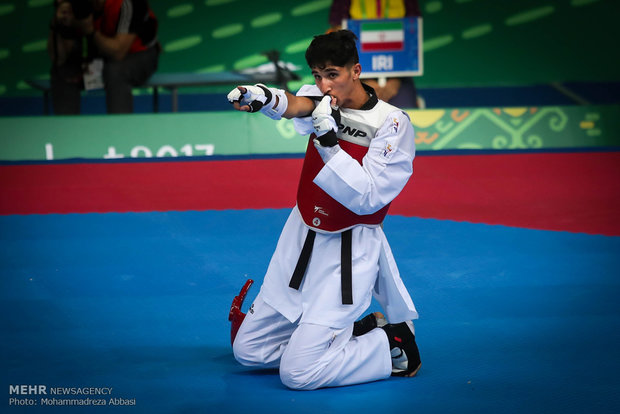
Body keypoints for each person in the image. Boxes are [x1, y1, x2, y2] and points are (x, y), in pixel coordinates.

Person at [227, 30, 420, 390]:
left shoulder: (392, 124)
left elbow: (369, 196)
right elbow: (296, 104)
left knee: (297, 375)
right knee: (248, 351)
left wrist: (331, 145)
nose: (323, 84)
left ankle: (389, 343)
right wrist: (263, 97)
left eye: (332, 74)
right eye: (317, 75)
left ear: (356, 71)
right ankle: (349, 332)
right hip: (300, 238)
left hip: (347, 250)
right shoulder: (321, 99)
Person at [47, 0, 159, 114]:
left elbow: (118, 52)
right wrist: (57, 24)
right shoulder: (76, 6)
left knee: (115, 71)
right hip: (98, 58)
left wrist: (90, 31)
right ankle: (66, 127)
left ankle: (120, 128)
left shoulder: (129, 3)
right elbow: (60, 59)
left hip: (138, 55)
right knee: (62, 72)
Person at [328, 0, 422, 108]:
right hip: (355, 74)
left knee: (405, 111)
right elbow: (339, 36)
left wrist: (395, 80)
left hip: (399, 76)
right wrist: (362, 79)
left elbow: (412, 35)